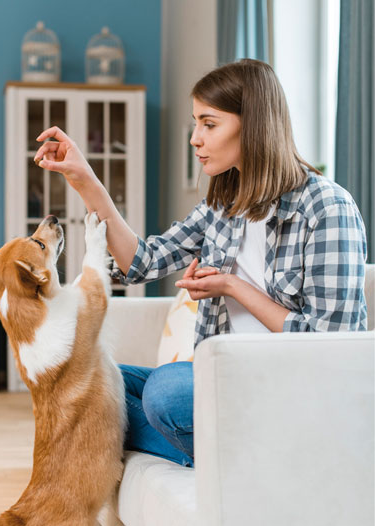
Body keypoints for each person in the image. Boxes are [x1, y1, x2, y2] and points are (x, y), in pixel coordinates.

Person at [34, 58, 367, 469]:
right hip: (226, 379)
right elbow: (142, 262)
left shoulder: (327, 207)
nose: (195, 139)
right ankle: (228, 453)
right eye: (196, 124)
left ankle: (258, 457)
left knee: (168, 394)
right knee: (79, 378)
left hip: (291, 392)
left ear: (255, 124)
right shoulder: (224, 206)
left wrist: (231, 286)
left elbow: (330, 343)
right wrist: (84, 177)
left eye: (209, 124)